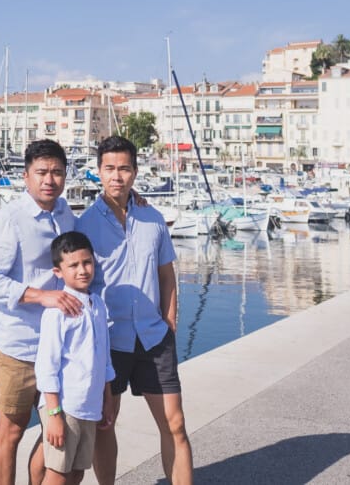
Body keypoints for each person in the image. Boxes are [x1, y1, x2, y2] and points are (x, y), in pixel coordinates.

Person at [76, 134, 193, 485]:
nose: (117, 176)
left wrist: (170, 321)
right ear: (98, 172)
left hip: (154, 338)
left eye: (124, 168)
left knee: (175, 425)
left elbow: (166, 275)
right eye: (109, 168)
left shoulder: (153, 219)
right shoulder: (85, 224)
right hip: (109, 340)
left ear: (135, 172)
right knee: (105, 424)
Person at [0, 139, 81, 485]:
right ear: (26, 176)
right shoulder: (10, 220)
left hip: (56, 346)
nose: (49, 179)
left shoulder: (67, 214)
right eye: (41, 172)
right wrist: (40, 296)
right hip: (15, 344)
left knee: (60, 425)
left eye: (57, 172)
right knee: (12, 429)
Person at [34, 230, 115, 485]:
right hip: (65, 406)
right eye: (73, 265)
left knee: (78, 471)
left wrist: (107, 399)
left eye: (87, 262)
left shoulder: (98, 305)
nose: (82, 270)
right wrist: (54, 414)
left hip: (89, 405)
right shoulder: (57, 312)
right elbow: (47, 366)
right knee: (58, 473)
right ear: (58, 272)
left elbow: (104, 359)